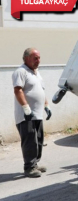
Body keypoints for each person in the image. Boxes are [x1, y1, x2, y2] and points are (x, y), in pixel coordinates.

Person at [12, 48, 52, 178]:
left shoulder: (36, 73)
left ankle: (35, 163)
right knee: (30, 140)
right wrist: (25, 107)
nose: (38, 60)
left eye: (39, 58)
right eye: (35, 58)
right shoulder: (21, 72)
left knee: (39, 139)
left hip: (37, 114)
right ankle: (29, 167)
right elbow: (18, 90)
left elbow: (40, 90)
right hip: (26, 115)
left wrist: (46, 105)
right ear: (26, 58)